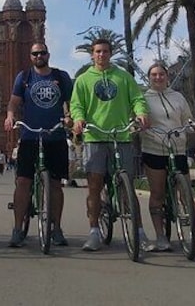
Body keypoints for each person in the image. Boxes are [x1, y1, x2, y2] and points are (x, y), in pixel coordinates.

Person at [69, 37, 150, 252]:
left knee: (128, 189)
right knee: (94, 187)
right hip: (95, 137)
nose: (101, 55)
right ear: (92, 54)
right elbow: (77, 105)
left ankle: (140, 233)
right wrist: (78, 119)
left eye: (105, 51)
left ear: (110, 53)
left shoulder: (123, 77)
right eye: (97, 51)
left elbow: (137, 99)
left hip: (121, 136)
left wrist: (141, 113)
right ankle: (94, 232)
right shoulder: (84, 80)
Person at [140, 61, 195, 255]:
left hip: (177, 149)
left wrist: (194, 125)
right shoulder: (144, 98)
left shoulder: (178, 97)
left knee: (186, 195)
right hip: (154, 149)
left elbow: (187, 118)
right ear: (149, 78)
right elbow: (139, 117)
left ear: (167, 77)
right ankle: (161, 237)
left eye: (161, 74)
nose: (158, 77)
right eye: (154, 75)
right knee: (157, 194)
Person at [4, 42, 72, 247]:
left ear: (48, 55)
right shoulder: (23, 77)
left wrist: (69, 116)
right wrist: (9, 116)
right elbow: (14, 102)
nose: (39, 56)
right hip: (30, 135)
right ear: (30, 56)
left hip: (55, 135)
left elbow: (71, 101)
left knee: (55, 184)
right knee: (23, 181)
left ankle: (57, 229)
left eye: (42, 52)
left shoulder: (61, 77)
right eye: (35, 53)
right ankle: (17, 229)